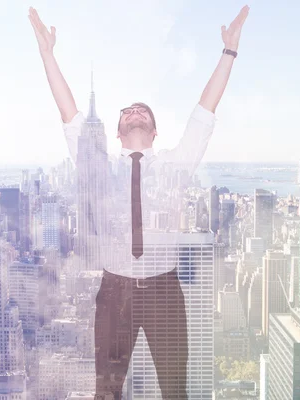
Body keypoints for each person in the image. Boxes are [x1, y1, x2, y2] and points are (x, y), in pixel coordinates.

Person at [29, 5, 249, 399]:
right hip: (115, 288)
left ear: (153, 130)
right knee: (106, 392)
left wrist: (229, 52)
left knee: (174, 392)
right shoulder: (99, 166)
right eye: (127, 113)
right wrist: (47, 54)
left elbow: (204, 112)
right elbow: (69, 115)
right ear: (116, 133)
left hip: (164, 288)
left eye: (141, 112)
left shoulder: (173, 166)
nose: (134, 114)